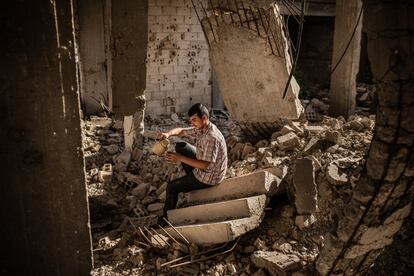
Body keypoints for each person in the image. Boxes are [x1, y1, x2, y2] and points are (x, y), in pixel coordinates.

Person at [159, 103, 228, 219]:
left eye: (194, 120)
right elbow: (182, 131)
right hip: (205, 163)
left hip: (210, 176)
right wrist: (168, 134)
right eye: (191, 120)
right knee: (181, 146)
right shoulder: (202, 128)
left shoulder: (211, 137)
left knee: (172, 187)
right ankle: (190, 179)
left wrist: (180, 158)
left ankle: (166, 219)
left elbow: (205, 165)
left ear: (204, 118)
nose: (192, 123)